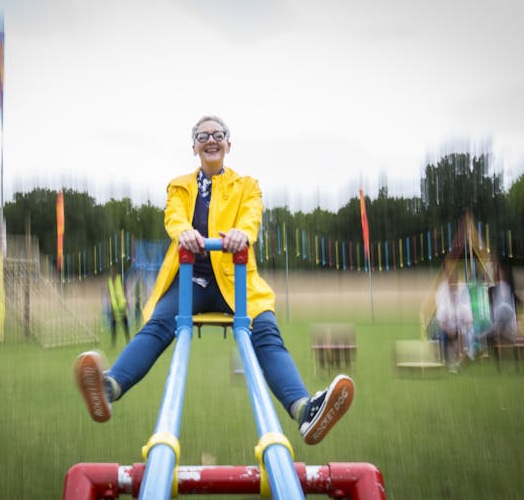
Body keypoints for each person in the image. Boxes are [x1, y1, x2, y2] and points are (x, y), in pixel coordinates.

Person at [75, 115, 354, 445]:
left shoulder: (247, 185)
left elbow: (252, 216)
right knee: (160, 324)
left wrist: (242, 234)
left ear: (228, 144)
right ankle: (108, 389)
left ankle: (305, 410)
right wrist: (185, 234)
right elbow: (174, 216)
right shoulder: (179, 185)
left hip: (235, 279)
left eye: (217, 135)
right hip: (191, 278)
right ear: (193, 146)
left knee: (265, 332)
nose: (211, 140)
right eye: (202, 136)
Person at [107, 266, 130, 346]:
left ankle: (128, 339)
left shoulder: (120, 279)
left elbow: (125, 290)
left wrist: (127, 302)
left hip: (121, 305)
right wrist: (110, 305)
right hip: (114, 306)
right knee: (113, 324)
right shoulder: (109, 281)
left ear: (115, 273)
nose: (112, 273)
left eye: (113, 272)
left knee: (125, 323)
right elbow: (110, 293)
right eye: (110, 272)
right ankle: (113, 342)